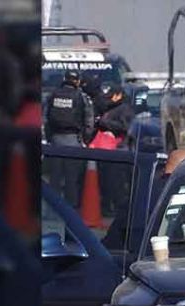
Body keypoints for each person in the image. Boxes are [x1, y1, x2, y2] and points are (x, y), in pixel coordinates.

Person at [46, 71, 94, 208]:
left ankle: (52, 208)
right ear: (77, 81)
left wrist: (50, 138)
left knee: (54, 177)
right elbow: (89, 121)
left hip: (55, 141)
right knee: (71, 179)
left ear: (64, 79)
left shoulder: (53, 94)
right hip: (74, 140)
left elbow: (45, 118)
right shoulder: (82, 97)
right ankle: (70, 209)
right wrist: (85, 140)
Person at [93, 84, 135, 215]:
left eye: (112, 96)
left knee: (117, 182)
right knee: (107, 181)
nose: (109, 99)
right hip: (108, 149)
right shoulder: (111, 108)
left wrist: (104, 123)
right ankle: (107, 206)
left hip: (118, 150)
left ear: (119, 95)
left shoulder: (124, 109)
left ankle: (118, 208)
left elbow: (125, 127)